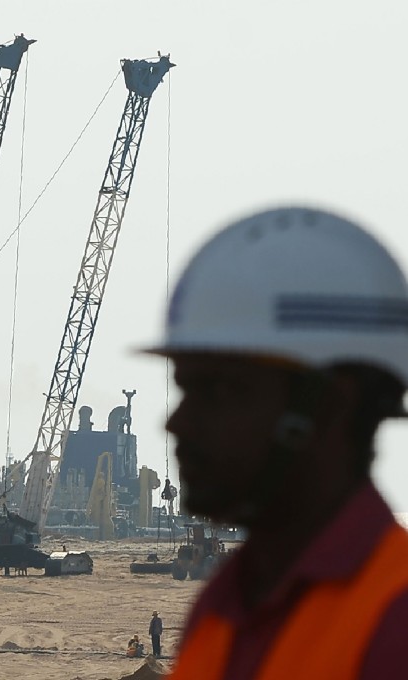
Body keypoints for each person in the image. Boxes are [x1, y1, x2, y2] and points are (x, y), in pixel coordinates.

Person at [147, 207, 408, 679]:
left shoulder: (394, 623)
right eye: (185, 388)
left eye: (221, 391)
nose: (177, 422)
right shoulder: (224, 606)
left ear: (330, 406)